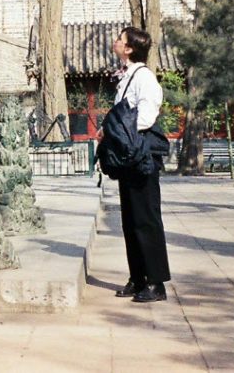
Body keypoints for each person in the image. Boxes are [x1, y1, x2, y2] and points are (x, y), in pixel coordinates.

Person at [100, 26, 171, 303]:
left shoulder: (145, 78)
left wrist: (116, 131)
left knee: (146, 219)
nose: (116, 42)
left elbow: (147, 116)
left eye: (120, 39)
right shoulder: (127, 77)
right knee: (131, 219)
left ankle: (156, 282)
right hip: (129, 156)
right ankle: (138, 277)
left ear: (129, 48)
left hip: (142, 156)